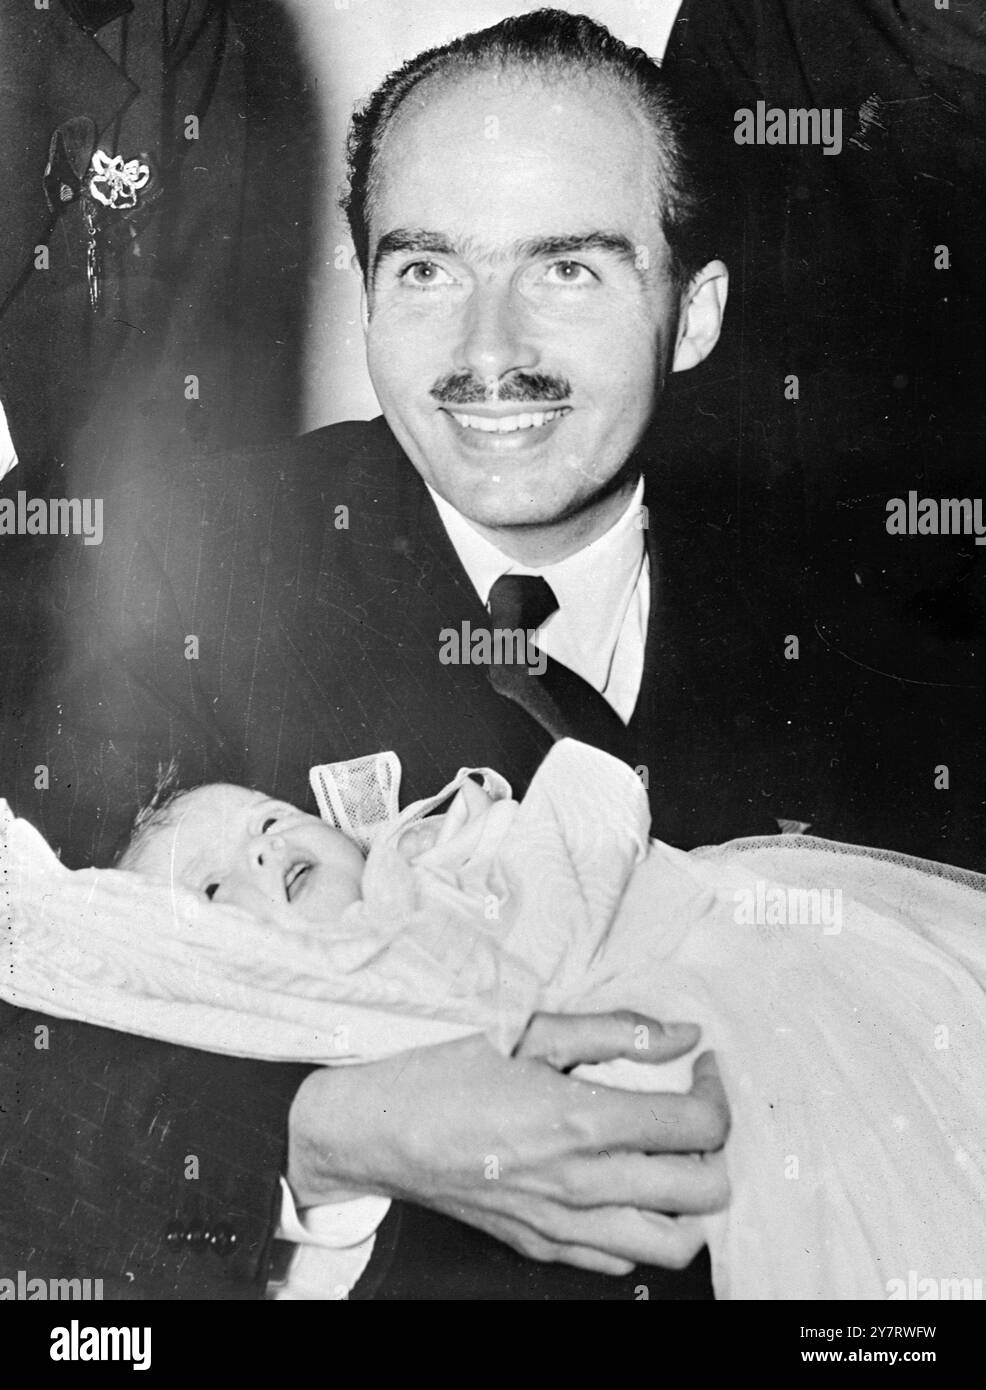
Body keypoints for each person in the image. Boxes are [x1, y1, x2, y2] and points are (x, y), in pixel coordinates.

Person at [2, 6, 980, 1301]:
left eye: (565, 269)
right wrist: (315, 1137)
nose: (487, 355)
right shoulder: (174, 566)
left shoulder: (872, 627)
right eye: (426, 270)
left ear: (692, 314)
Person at [8, 737, 985, 1300]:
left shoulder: (423, 856)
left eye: (268, 821)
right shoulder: (318, 1021)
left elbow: (574, 837)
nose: (263, 853)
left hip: (725, 964)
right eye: (218, 889)